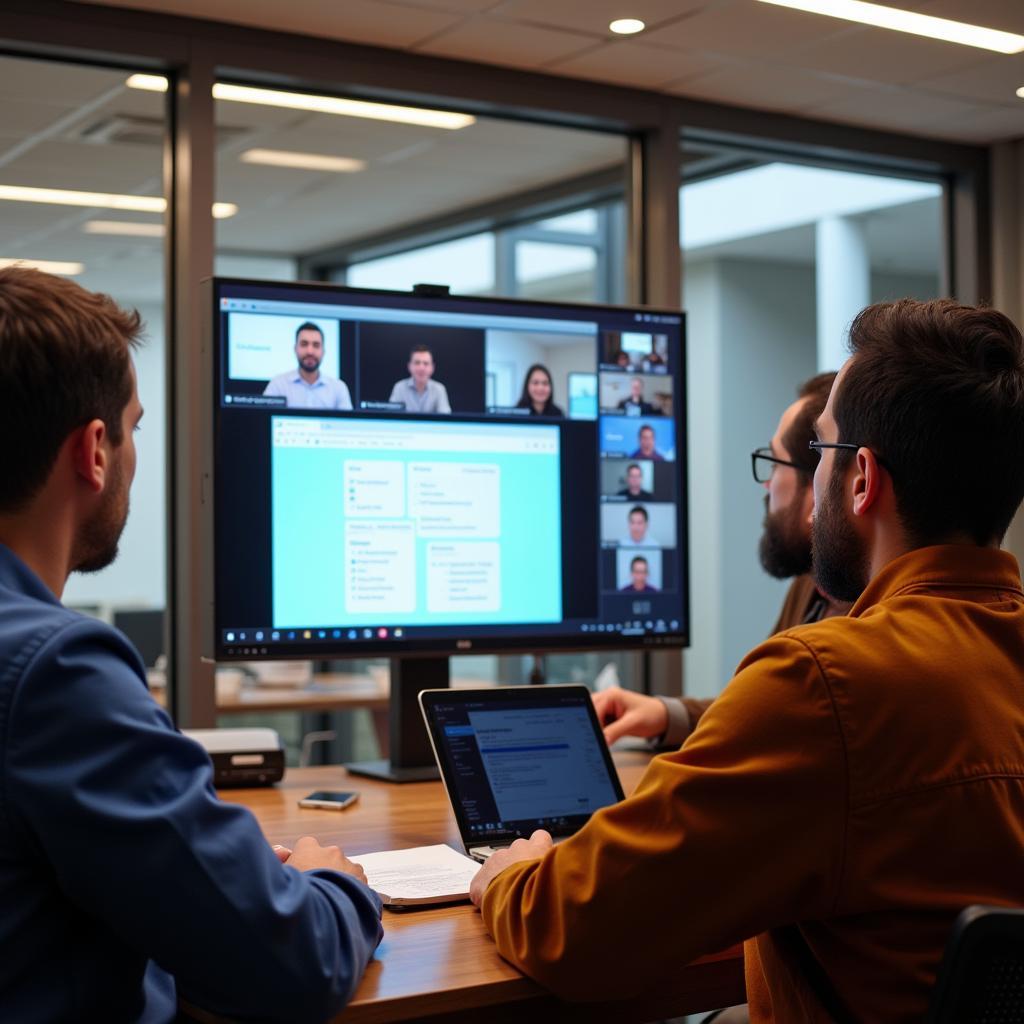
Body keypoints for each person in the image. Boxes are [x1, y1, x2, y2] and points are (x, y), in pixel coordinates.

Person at [470, 298, 1024, 1022]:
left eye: (818, 451)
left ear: (860, 479)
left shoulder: (827, 682)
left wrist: (514, 878)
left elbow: (578, 929)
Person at [0, 268, 382, 1023]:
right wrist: (333, 882)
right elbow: (295, 962)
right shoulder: (56, 668)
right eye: (136, 427)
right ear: (95, 450)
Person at [598, 372, 843, 749]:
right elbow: (757, 711)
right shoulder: (813, 584)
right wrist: (664, 714)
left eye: (775, 462)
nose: (766, 485)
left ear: (818, 488)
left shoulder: (863, 629)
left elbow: (771, 734)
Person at [263, 321, 353, 410]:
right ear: (295, 349)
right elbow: (264, 419)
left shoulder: (339, 388)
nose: (310, 351)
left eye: (316, 345)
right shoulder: (278, 385)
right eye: (304, 344)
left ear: (323, 351)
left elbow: (348, 423)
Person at [389, 344, 451, 413]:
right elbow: (392, 417)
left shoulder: (439, 389)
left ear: (432, 367)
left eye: (426, 363)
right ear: (409, 366)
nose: (421, 368)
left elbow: (445, 418)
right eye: (417, 363)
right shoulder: (399, 387)